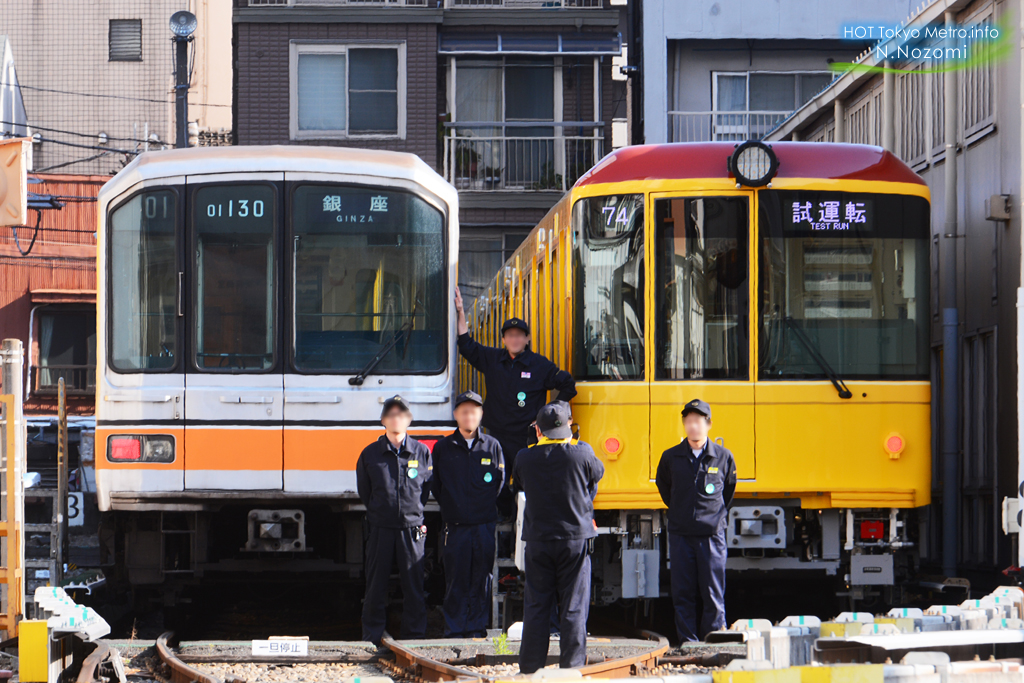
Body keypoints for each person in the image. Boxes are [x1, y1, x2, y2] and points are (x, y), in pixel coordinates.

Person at [453, 286, 577, 500]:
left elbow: (568, 385)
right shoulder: (493, 360)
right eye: (510, 336)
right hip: (496, 436)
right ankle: (500, 522)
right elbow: (467, 346)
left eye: (519, 336)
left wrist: (553, 411)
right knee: (494, 485)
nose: (515, 340)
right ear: (503, 339)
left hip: (527, 438)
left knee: (527, 486)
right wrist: (461, 311)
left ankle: (522, 526)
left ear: (527, 339)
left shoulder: (539, 364)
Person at [512, 401, 605, 673]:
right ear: (568, 428)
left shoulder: (524, 457)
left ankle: (530, 668)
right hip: (575, 540)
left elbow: (519, 484)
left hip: (538, 540)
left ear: (538, 431)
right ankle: (571, 669)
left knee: (537, 606)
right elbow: (596, 476)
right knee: (573, 607)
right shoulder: (583, 453)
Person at [655, 399, 737, 643]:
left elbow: (729, 491)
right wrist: (681, 510)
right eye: (688, 421)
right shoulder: (670, 457)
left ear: (708, 424)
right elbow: (664, 487)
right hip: (681, 534)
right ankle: (688, 642)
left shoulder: (723, 457)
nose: (692, 426)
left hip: (712, 535)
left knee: (713, 592)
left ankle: (713, 639)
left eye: (697, 421)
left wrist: (712, 515)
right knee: (682, 592)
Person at [356, 395, 433, 646]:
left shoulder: (422, 452)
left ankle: (414, 637)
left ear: (409, 419)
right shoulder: (370, 454)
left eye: (401, 414)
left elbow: (426, 488)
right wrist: (382, 511)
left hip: (411, 530)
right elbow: (365, 491)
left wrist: (412, 512)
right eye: (391, 414)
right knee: (375, 586)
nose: (396, 418)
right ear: (383, 420)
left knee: (414, 586)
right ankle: (372, 636)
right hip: (380, 528)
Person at [431, 390, 505, 637]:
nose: (469, 416)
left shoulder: (492, 446)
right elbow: (436, 484)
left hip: (484, 524)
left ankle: (475, 627)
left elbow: (500, 483)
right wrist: (455, 506)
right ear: (455, 415)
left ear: (481, 415)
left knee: (481, 577)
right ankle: (454, 629)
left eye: (474, 411)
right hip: (455, 526)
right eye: (464, 411)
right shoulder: (443, 447)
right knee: (455, 578)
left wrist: (481, 506)